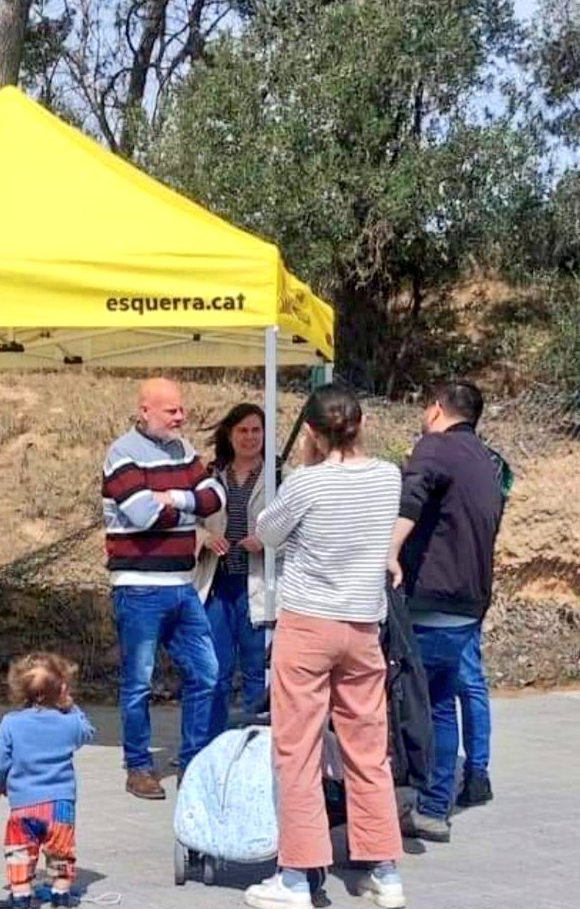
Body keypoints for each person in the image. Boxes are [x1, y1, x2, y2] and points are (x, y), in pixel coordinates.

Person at [245, 385, 405, 909]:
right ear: (361, 425)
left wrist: (299, 470)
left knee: (297, 750)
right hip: (363, 626)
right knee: (367, 750)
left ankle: (296, 874)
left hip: (309, 624)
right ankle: (382, 868)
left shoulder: (304, 483)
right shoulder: (388, 476)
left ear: (310, 432)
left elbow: (266, 532)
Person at [388, 381, 502, 843]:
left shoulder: (435, 446)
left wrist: (390, 550)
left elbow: (412, 494)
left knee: (401, 704)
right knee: (439, 704)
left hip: (429, 601)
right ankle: (435, 807)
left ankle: (381, 805)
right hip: (467, 605)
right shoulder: (485, 461)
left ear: (435, 410)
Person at [102, 377, 223, 800]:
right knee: (139, 682)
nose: (180, 416)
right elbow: (141, 516)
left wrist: (171, 497)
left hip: (182, 586)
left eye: (180, 409)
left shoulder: (184, 450)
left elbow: (215, 498)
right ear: (144, 411)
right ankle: (138, 767)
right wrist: (185, 502)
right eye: (171, 410)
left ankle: (193, 761)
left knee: (207, 674)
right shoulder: (121, 455)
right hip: (138, 588)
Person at [0, 653, 95, 909]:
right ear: (62, 689)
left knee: (20, 852)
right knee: (60, 852)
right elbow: (88, 732)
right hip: (60, 804)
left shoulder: (11, 724)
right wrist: (72, 706)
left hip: (23, 805)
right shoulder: (68, 723)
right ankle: (60, 894)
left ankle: (21, 897)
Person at [194, 402, 276, 738]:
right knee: (216, 671)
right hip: (218, 585)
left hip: (257, 586)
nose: (250, 437)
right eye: (242, 430)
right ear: (229, 434)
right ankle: (213, 743)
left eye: (256, 430)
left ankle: (254, 746)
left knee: (257, 670)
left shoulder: (278, 477)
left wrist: (268, 541)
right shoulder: (211, 477)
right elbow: (189, 523)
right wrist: (205, 538)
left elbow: (297, 531)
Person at [455, 441, 512, 809]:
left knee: (464, 679)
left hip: (454, 587)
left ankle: (474, 771)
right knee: (466, 680)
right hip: (471, 583)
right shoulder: (493, 463)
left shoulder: (442, 458)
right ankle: (474, 771)